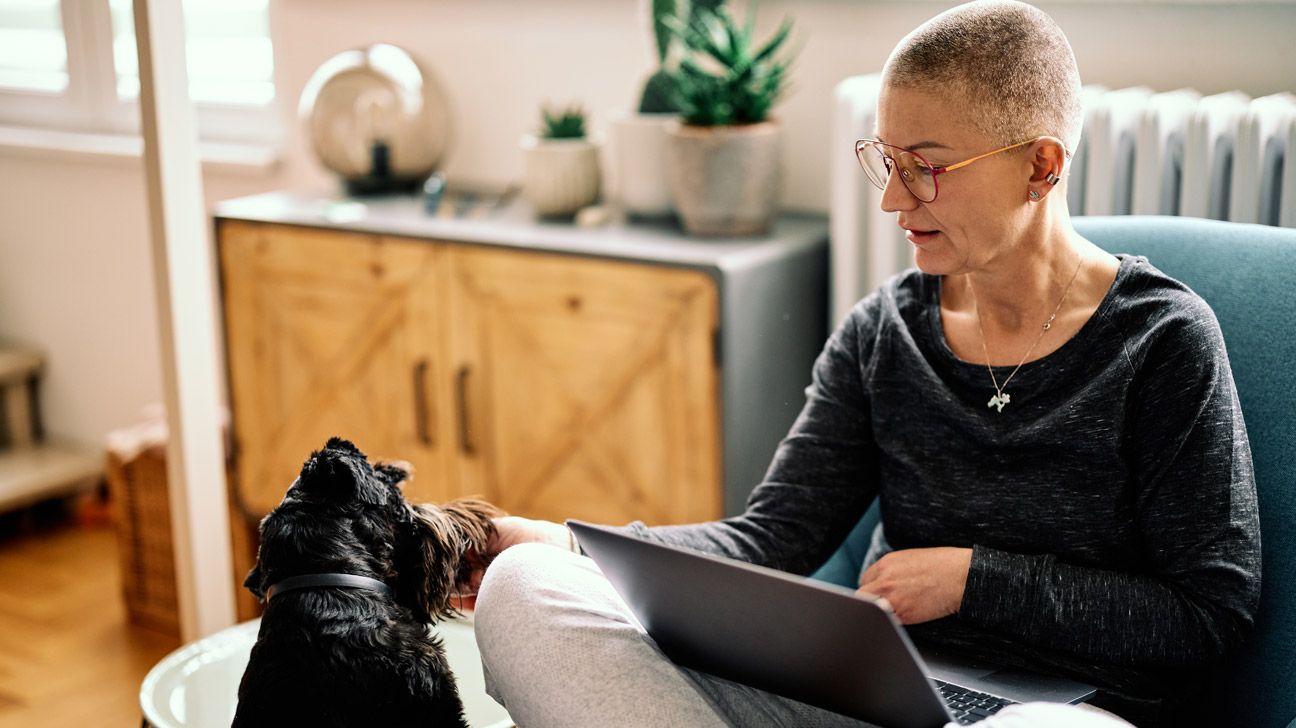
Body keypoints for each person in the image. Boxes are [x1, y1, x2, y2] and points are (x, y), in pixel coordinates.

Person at [462, 2, 1261, 726]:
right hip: (879, 694)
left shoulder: (1161, 341)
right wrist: (567, 546)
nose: (893, 201)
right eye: (886, 162)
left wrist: (974, 578)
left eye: (926, 167)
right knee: (527, 591)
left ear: (1041, 165)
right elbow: (769, 538)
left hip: (1068, 711)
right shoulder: (885, 332)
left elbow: (1209, 612)